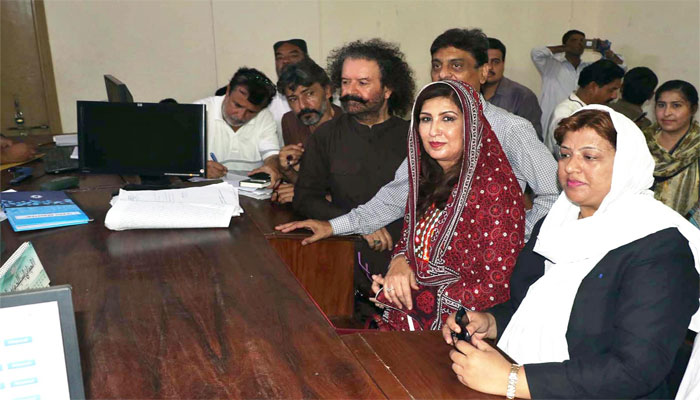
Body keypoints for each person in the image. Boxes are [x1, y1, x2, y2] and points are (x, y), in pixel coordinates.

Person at [441, 105, 700, 399]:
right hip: (522, 377)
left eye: (589, 157)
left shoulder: (658, 247)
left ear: (626, 164)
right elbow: (529, 306)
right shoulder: (555, 222)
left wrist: (513, 380)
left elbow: (635, 370)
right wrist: (491, 322)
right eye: (565, 154)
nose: (571, 167)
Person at [277, 28, 558, 245]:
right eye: (437, 65)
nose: (443, 74)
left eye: (456, 66)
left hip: (493, 269)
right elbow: (396, 196)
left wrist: (517, 236)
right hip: (433, 261)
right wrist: (334, 226)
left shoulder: (510, 129)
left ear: (483, 72)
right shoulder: (426, 127)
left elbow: (555, 193)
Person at [370, 80, 525, 331]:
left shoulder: (495, 189)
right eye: (425, 119)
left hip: (456, 333)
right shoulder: (426, 178)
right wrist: (397, 269)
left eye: (448, 119)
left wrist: (412, 296)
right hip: (408, 328)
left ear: (471, 125)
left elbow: (496, 284)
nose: (434, 131)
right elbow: (410, 242)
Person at [292, 38, 415, 319]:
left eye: (363, 83)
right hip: (345, 254)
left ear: (388, 89)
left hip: (405, 258)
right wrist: (359, 225)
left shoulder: (414, 136)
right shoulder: (326, 135)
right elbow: (304, 198)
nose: (350, 92)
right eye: (346, 82)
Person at [273, 58, 343, 203]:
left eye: (309, 94)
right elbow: (306, 182)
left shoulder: (351, 127)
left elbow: (360, 194)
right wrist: (287, 170)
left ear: (327, 91)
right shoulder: (291, 122)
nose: (302, 106)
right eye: (293, 99)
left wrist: (304, 195)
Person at [532, 29, 625, 135]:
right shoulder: (552, 65)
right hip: (551, 118)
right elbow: (536, 53)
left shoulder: (588, 68)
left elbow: (621, 68)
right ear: (565, 43)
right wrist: (565, 48)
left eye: (582, 41)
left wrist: (607, 53)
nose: (578, 43)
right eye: (573, 40)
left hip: (579, 119)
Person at [194, 67, 280, 180]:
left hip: (250, 189)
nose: (240, 116)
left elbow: (272, 156)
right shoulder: (198, 111)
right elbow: (177, 162)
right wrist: (199, 168)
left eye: (251, 112)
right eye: (237, 105)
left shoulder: (264, 116)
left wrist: (272, 168)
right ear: (228, 90)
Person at [643, 80, 700, 216]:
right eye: (661, 105)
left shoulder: (696, 146)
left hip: (687, 226)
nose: (667, 113)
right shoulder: (640, 141)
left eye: (676, 105)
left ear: (693, 109)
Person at [545, 59, 624, 152]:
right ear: (593, 87)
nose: (614, 96)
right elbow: (567, 153)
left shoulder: (599, 110)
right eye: (611, 90)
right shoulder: (565, 114)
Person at [482, 37, 543, 139]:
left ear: (503, 63)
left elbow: (533, 140)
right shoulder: (467, 93)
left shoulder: (523, 97)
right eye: (485, 62)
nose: (490, 67)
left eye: (495, 62)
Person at [268, 39, 309, 144]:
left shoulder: (327, 98)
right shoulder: (267, 104)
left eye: (293, 55)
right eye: (279, 57)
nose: (285, 61)